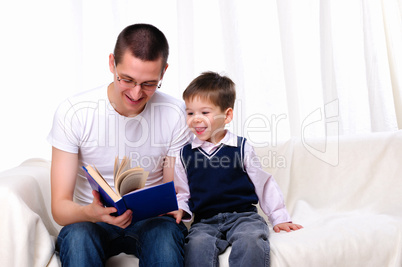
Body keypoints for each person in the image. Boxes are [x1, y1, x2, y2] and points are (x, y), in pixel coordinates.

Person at [47, 23, 192, 266]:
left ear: (164, 72)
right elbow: (60, 208)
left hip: (153, 221)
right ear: (112, 63)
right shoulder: (74, 112)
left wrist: (177, 206)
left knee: (165, 237)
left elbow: (173, 189)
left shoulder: (175, 112)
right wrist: (90, 213)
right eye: (127, 79)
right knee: (78, 238)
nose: (136, 94)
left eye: (149, 84)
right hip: (91, 221)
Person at [173, 71, 303, 267]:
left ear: (227, 115)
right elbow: (183, 193)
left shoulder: (241, 148)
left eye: (204, 112)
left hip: (244, 217)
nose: (195, 119)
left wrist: (279, 217)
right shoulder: (185, 154)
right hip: (204, 222)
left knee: (251, 241)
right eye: (190, 113)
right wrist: (180, 209)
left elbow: (264, 184)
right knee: (196, 246)